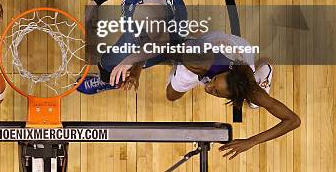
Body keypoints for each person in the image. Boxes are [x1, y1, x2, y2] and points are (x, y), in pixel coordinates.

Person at [114, 30, 301, 159]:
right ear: (221, 73)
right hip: (204, 51)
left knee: (258, 100)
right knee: (171, 95)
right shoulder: (198, 61)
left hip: (237, 54)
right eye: (212, 84)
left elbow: (293, 120)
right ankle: (188, 40)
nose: (208, 88)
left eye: (216, 92)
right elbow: (154, 44)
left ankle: (262, 73)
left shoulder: (250, 89)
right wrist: (137, 70)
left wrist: (251, 142)